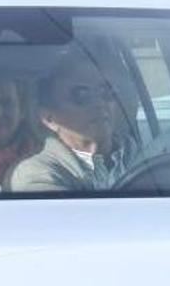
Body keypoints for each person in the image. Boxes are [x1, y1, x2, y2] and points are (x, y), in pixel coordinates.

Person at [10, 52, 138, 192]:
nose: (99, 103)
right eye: (81, 95)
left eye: (106, 92)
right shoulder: (36, 173)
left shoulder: (148, 155)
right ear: (49, 118)